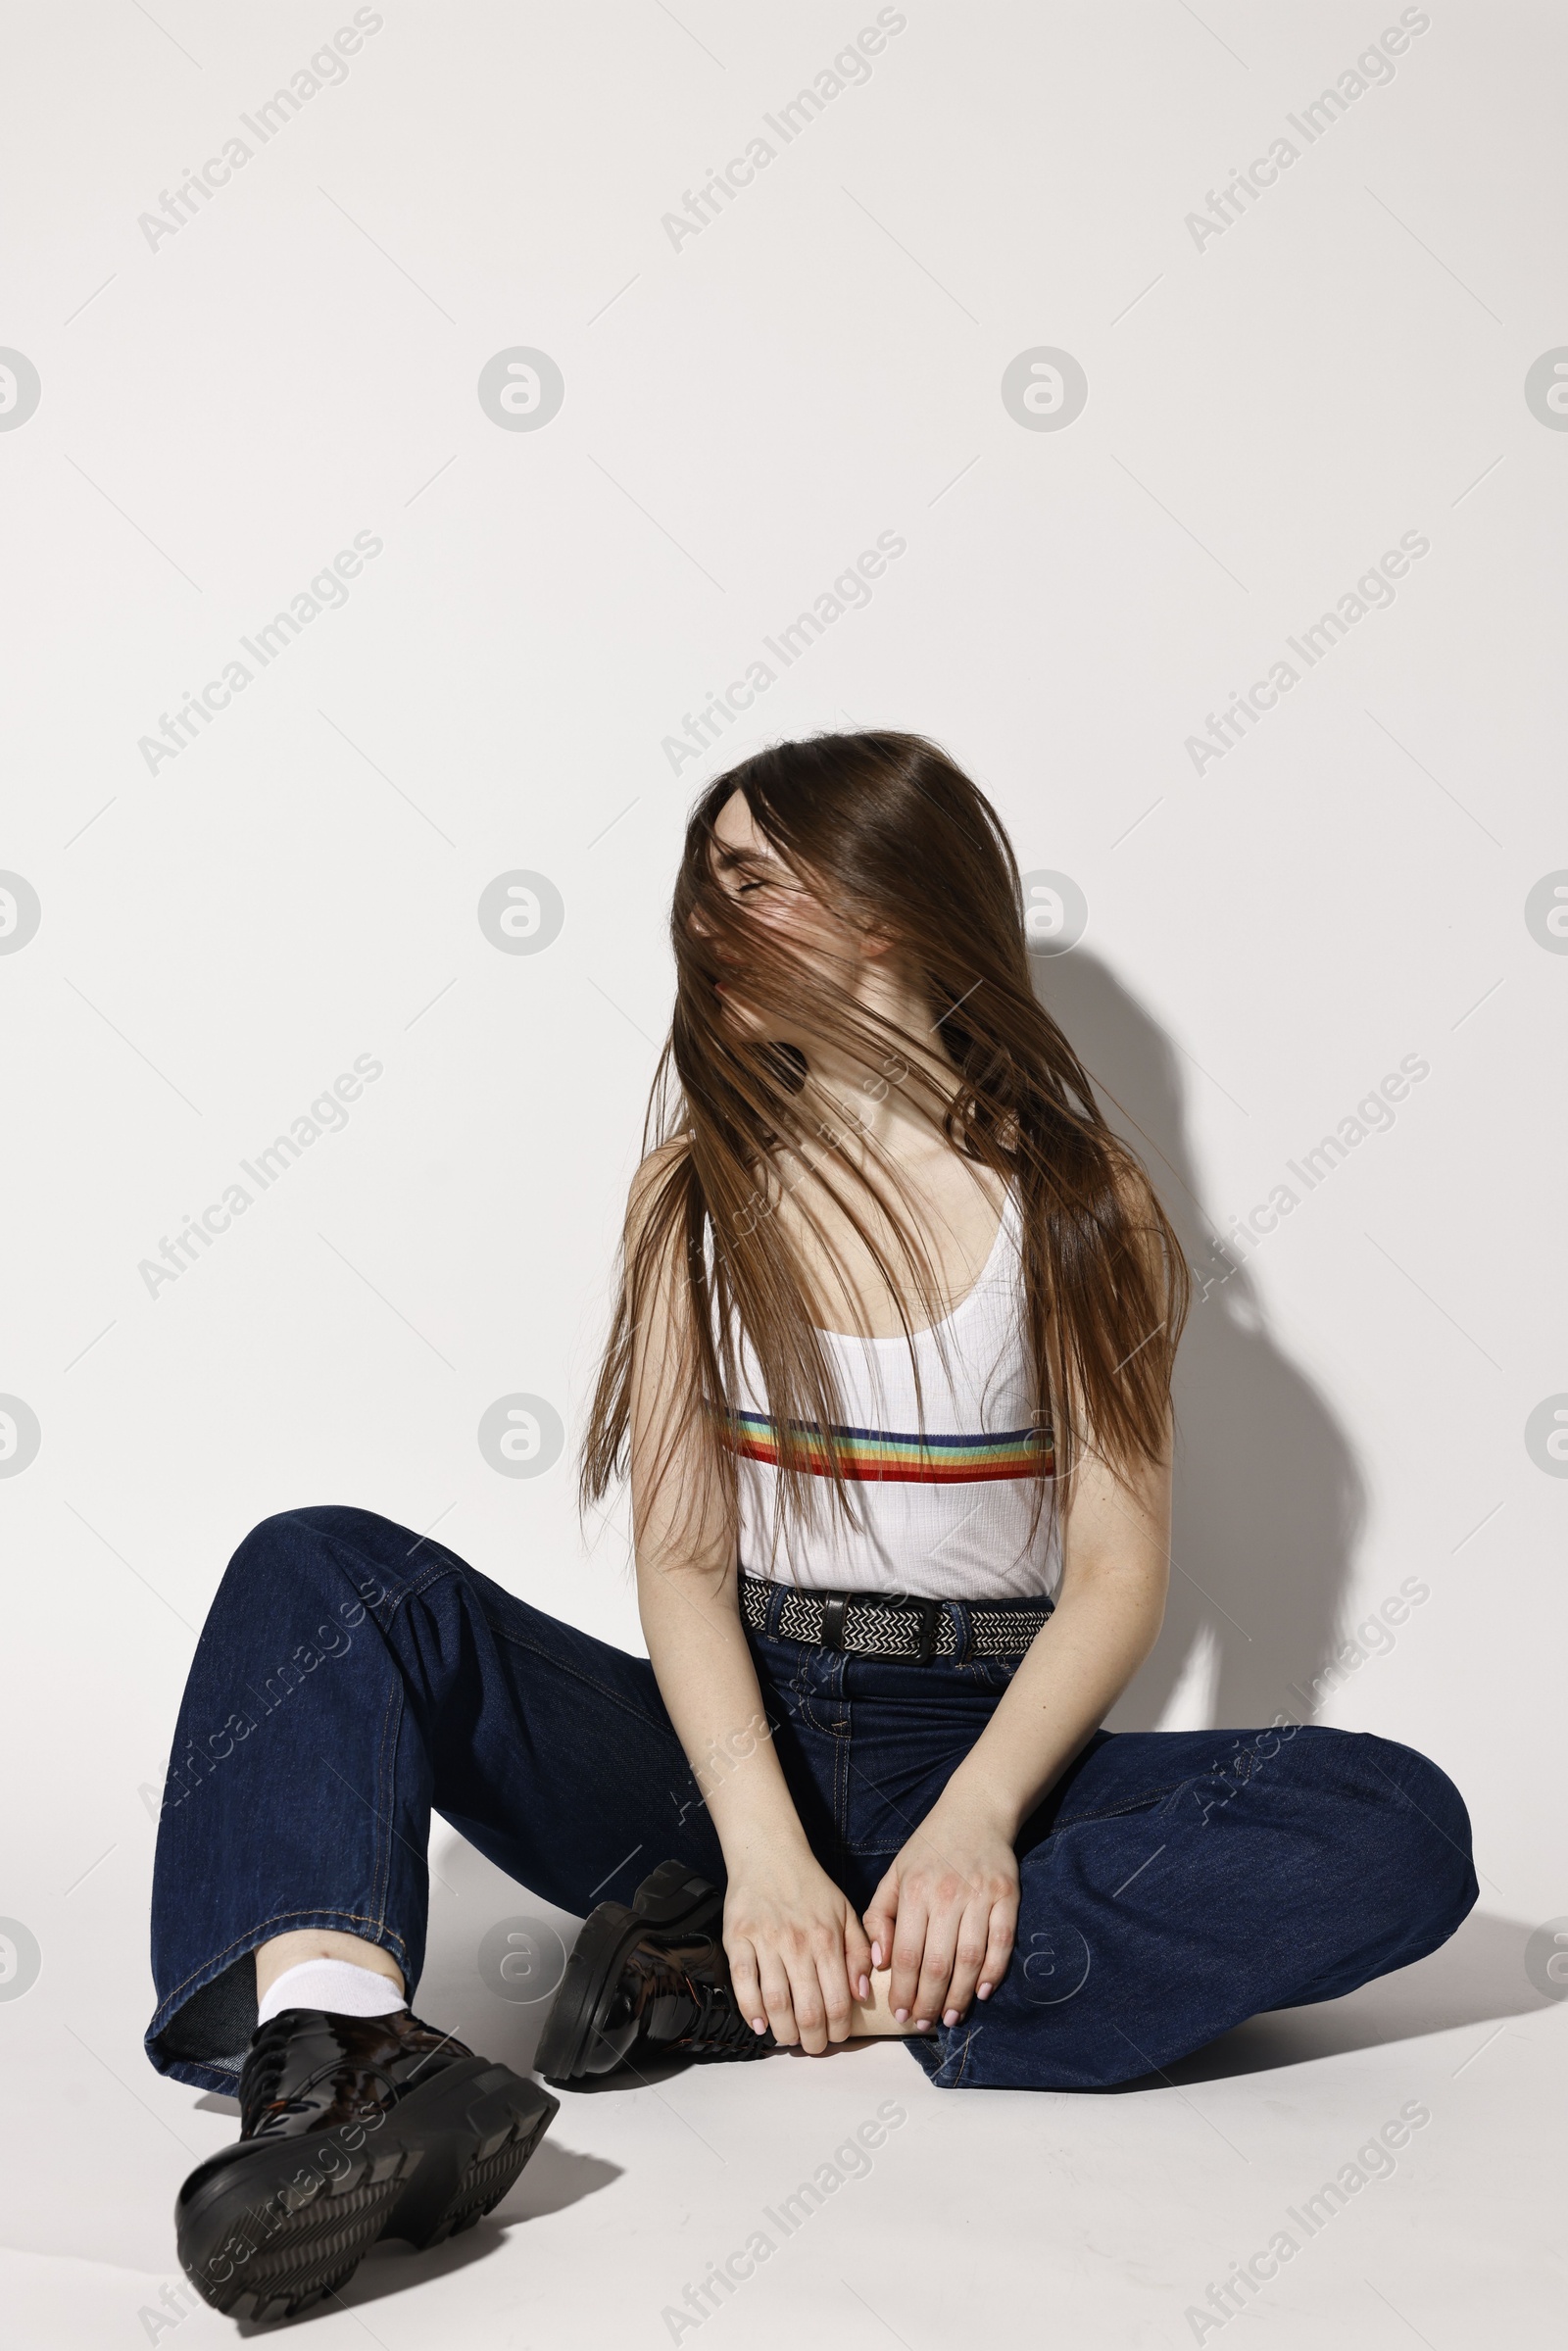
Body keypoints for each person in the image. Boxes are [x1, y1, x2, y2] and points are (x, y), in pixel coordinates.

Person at [147, 730, 1477, 2325]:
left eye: (750, 882)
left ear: (887, 907)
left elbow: (1119, 1574)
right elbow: (687, 1566)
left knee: (1394, 1821)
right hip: (720, 1760)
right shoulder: (692, 1199)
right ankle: (348, 2054)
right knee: (319, 1568)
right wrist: (769, 1851)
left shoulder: (1079, 1201)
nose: (703, 922)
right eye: (701, 886)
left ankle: (769, 1985)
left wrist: (977, 1827)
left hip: (980, 1756)